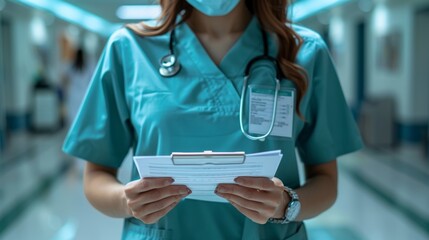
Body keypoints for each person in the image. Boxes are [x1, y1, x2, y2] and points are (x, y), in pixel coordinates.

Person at [62, 0, 363, 239]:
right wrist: (125, 201)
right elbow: (95, 176)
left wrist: (287, 204)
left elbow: (326, 182)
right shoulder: (129, 49)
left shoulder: (303, 52)